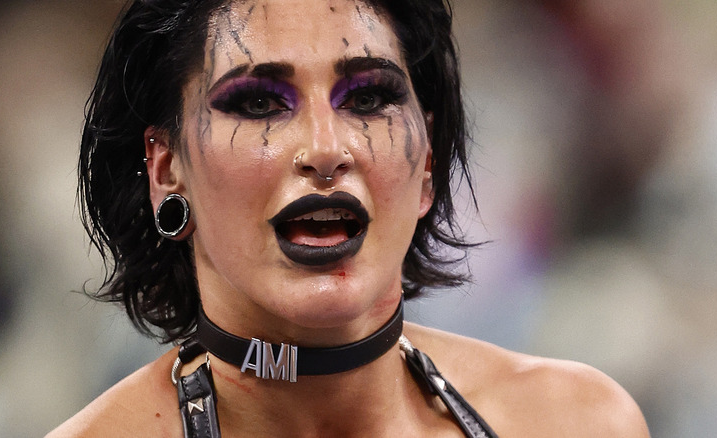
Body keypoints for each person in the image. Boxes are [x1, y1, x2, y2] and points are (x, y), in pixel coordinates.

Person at [49, 0, 650, 436]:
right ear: (165, 170)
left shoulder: (577, 422)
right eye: (258, 103)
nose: (325, 149)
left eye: (368, 99)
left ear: (427, 163)